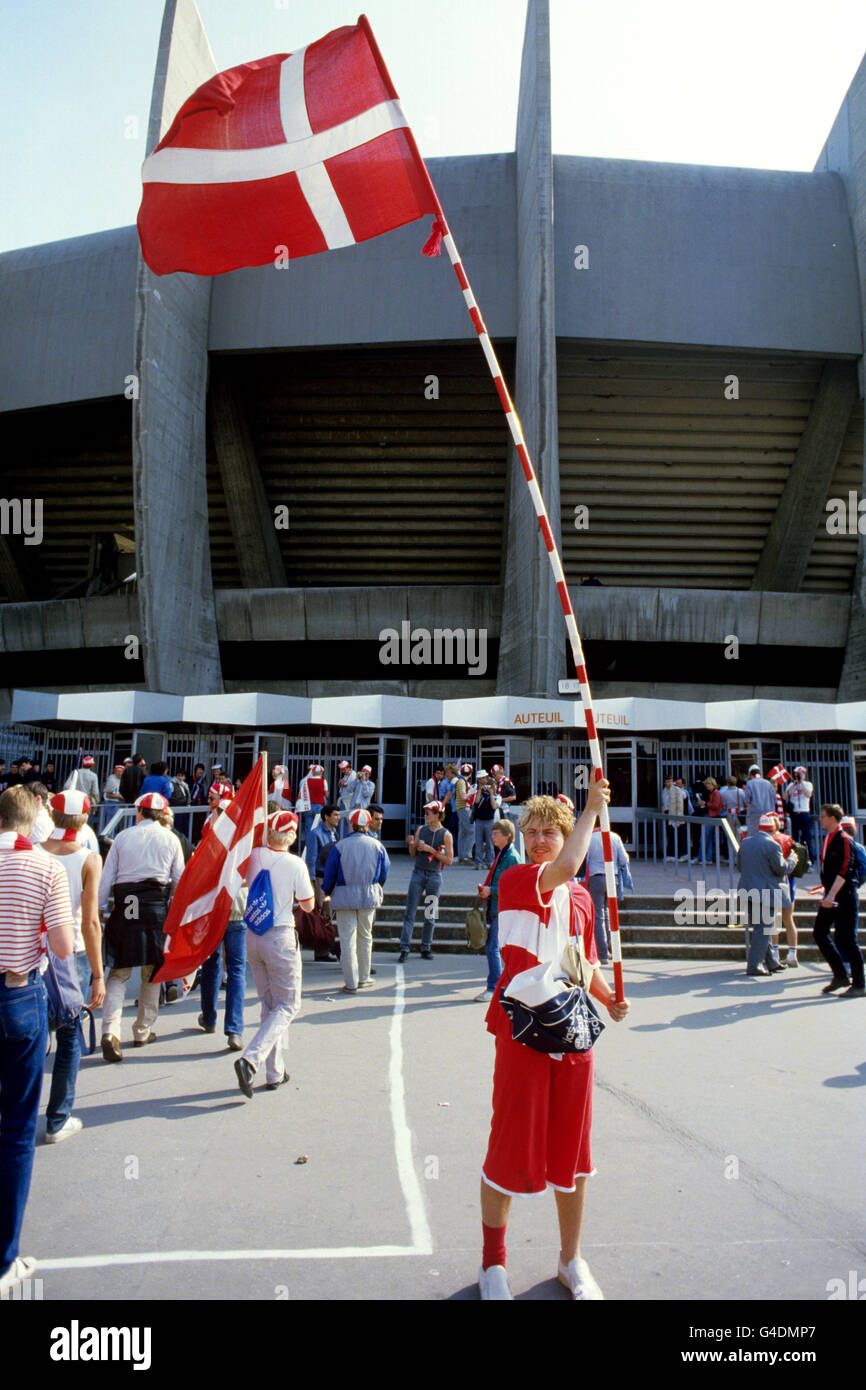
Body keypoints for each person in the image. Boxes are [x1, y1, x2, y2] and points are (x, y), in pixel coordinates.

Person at [478, 780, 629, 1301]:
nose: (541, 839)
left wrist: (608, 997)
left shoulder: (583, 896)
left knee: (574, 1153)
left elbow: (580, 963)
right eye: (533, 832)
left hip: (571, 1030)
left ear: (568, 837)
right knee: (509, 1145)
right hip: (521, 1028)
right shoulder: (520, 878)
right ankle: (493, 1262)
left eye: (551, 832)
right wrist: (590, 807)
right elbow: (562, 870)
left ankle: (571, 1260)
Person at [0, 785, 75, 1294]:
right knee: (16, 1128)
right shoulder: (46, 869)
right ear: (33, 822)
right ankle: (5, 1259)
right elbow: (65, 945)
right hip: (17, 994)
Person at [36, 790, 105, 1143]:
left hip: (33, 952)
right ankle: (57, 1118)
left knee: (27, 1037)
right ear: (86, 820)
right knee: (68, 1037)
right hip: (72, 955)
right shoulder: (89, 859)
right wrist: (97, 973)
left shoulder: (31, 851)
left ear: (52, 813)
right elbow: (90, 922)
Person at [98, 791, 185, 1059]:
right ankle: (142, 1030)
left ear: (139, 812)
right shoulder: (171, 838)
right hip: (155, 907)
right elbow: (179, 880)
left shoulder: (124, 837)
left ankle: (110, 1031)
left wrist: (99, 909)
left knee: (120, 971)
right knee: (152, 970)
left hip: (129, 903)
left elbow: (108, 876)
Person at [234, 811, 315, 1098]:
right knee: (288, 1005)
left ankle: (274, 1071)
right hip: (280, 936)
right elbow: (307, 905)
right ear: (292, 835)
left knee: (271, 1005)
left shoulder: (254, 855)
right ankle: (251, 1059)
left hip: (253, 935)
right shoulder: (295, 863)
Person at [322, 808, 390, 993]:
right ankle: (364, 977)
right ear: (367, 824)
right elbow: (384, 872)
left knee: (347, 939)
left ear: (351, 824)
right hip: (368, 896)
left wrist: (326, 891)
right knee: (365, 937)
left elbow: (329, 875)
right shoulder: (377, 846)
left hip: (344, 897)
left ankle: (350, 982)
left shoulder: (340, 846)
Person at [735, 814, 797, 977]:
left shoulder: (746, 842)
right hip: (765, 892)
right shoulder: (773, 845)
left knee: (760, 926)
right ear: (774, 829)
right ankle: (754, 965)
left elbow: (739, 866)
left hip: (747, 890)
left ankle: (772, 963)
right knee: (763, 929)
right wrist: (792, 860)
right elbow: (781, 869)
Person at [813, 803, 864, 998]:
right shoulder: (830, 837)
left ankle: (860, 983)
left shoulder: (843, 839)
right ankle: (840, 975)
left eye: (823, 816)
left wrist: (831, 895)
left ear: (833, 818)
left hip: (843, 895)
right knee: (820, 933)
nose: (820, 819)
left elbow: (845, 870)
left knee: (848, 939)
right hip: (831, 894)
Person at [398, 801, 454, 962]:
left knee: (430, 913)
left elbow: (449, 860)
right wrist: (412, 845)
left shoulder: (446, 834)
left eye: (428, 813)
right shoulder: (421, 830)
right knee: (410, 911)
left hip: (434, 876)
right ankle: (404, 947)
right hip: (418, 873)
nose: (425, 816)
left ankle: (426, 946)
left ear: (437, 815)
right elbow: (413, 854)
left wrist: (431, 851)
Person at [474, 818, 520, 1003]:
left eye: (496, 834)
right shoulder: (503, 854)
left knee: (492, 947)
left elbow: (516, 887)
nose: (492, 837)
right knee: (498, 948)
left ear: (507, 836)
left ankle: (494, 987)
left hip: (504, 909)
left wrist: (490, 890)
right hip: (498, 907)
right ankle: (504, 984)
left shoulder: (511, 857)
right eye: (492, 833)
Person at [198, 883, 246, 1052]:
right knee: (237, 969)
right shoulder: (246, 854)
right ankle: (234, 1029)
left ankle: (209, 1018)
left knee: (211, 965)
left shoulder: (211, 853)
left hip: (214, 906)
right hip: (238, 906)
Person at [581, 824, 633, 965]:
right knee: (609, 913)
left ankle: (602, 953)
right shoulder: (615, 837)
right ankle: (612, 949)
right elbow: (624, 859)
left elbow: (584, 859)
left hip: (596, 878)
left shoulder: (590, 838)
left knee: (598, 916)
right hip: (613, 878)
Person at [785, 766, 816, 862]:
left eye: (800, 774)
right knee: (794, 839)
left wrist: (801, 782)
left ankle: (809, 861)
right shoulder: (791, 785)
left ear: (804, 774)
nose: (797, 775)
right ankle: (795, 860)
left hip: (804, 813)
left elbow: (808, 794)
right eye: (796, 774)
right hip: (794, 814)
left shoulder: (808, 784)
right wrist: (794, 785)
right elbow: (785, 796)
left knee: (806, 839)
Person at [473, 771, 501, 869]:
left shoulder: (498, 797)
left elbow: (494, 807)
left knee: (490, 843)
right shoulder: (480, 792)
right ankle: (478, 863)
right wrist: (480, 791)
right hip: (479, 820)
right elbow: (476, 801)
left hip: (490, 821)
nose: (492, 788)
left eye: (494, 786)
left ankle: (490, 862)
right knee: (478, 842)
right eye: (490, 786)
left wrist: (492, 794)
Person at [295, 764, 328, 848]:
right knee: (319, 827)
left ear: (312, 772)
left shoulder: (306, 781)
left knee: (308, 828)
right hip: (319, 806)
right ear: (321, 773)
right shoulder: (323, 781)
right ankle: (319, 845)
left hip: (308, 806)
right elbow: (327, 795)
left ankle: (308, 847)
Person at [742, 765, 776, 836]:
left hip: (754, 816)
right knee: (768, 836)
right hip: (768, 816)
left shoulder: (750, 783)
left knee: (753, 837)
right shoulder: (768, 783)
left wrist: (747, 816)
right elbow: (774, 799)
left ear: (751, 774)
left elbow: (747, 801)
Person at [454, 763, 475, 863]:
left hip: (460, 808)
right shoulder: (462, 782)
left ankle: (462, 856)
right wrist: (472, 792)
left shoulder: (460, 781)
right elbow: (463, 797)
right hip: (464, 808)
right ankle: (467, 855)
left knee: (462, 832)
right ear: (471, 773)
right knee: (472, 831)